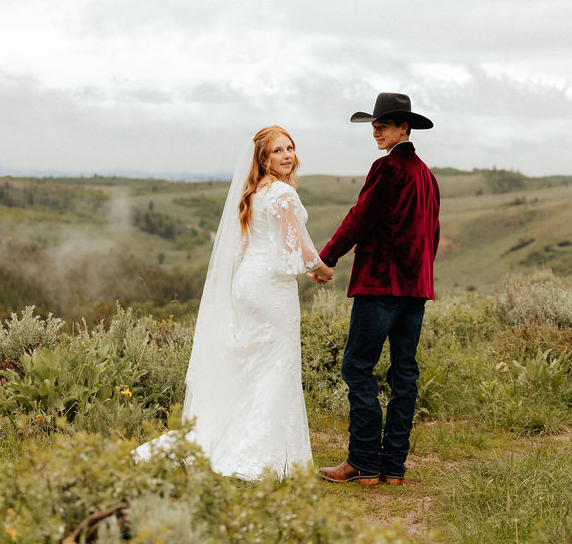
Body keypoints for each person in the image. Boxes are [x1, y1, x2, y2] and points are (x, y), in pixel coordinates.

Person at [134, 125, 333, 480]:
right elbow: (293, 249)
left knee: (250, 364)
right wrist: (320, 268)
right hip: (271, 289)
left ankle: (231, 436)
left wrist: (307, 263)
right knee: (276, 365)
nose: (287, 156)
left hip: (247, 285)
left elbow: (248, 245)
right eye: (278, 151)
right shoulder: (283, 194)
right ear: (263, 157)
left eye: (290, 148)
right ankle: (261, 453)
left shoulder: (254, 192)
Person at [313, 93, 440, 487]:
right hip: (415, 288)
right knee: (404, 374)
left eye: (382, 124)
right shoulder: (427, 175)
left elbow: (360, 218)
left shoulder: (387, 169)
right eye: (374, 124)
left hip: (381, 284)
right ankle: (394, 469)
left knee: (356, 366)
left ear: (405, 127)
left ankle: (364, 463)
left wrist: (327, 257)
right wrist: (420, 277)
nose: (375, 130)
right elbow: (432, 234)